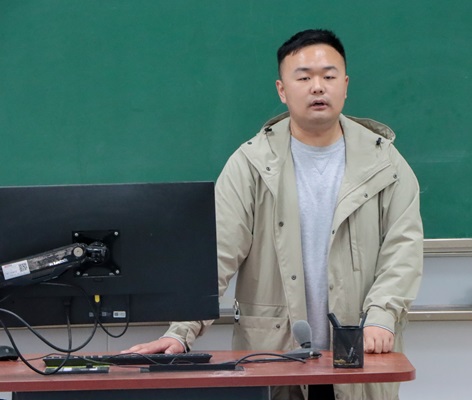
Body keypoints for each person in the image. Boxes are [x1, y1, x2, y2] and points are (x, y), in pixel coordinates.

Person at [125, 29, 423, 400]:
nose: (318, 87)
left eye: (329, 76)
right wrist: (180, 332)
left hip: (359, 355)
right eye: (304, 77)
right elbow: (217, 254)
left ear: (345, 85)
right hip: (275, 359)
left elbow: (403, 250)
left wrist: (381, 315)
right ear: (282, 90)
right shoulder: (251, 163)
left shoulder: (385, 162)